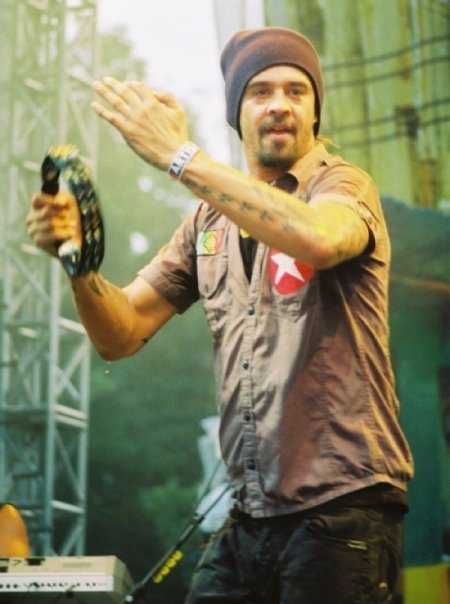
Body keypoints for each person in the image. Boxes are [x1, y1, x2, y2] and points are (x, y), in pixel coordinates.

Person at [27, 26, 413, 604]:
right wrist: (77, 262)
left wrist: (178, 156)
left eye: (296, 91)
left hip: (343, 511)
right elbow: (121, 333)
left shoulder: (343, 185)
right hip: (249, 517)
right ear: (238, 113)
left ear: (315, 111)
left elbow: (320, 238)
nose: (279, 104)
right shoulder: (207, 224)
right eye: (260, 92)